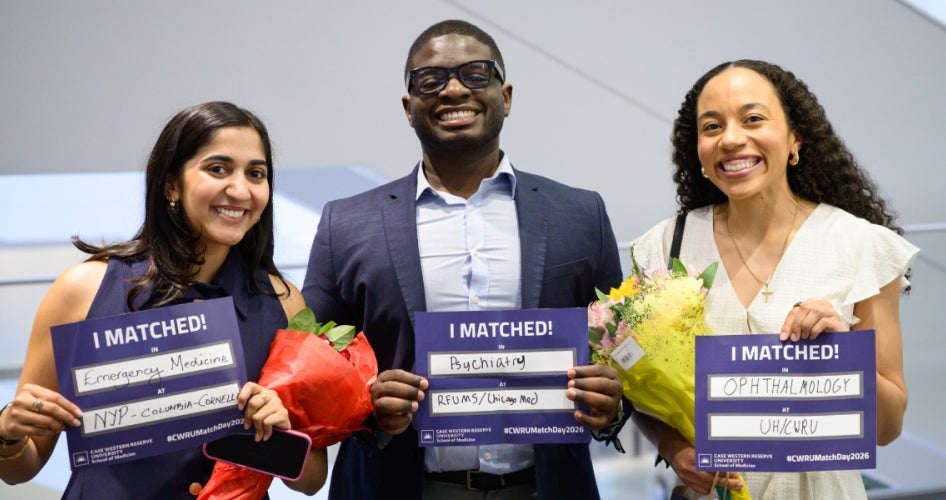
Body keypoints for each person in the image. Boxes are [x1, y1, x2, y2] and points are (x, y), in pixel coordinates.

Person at [302, 19, 628, 500]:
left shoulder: (581, 215)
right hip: (393, 486)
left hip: (546, 487)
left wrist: (614, 406)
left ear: (507, 96)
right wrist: (367, 406)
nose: (454, 89)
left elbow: (622, 355)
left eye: (476, 74)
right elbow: (316, 370)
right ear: (408, 108)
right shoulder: (345, 224)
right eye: (430, 80)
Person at [0, 101, 328, 498]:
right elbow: (21, 468)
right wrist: (7, 434)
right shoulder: (82, 289)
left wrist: (279, 432)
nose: (240, 190)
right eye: (218, 169)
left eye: (256, 174)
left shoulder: (285, 302)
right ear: (171, 184)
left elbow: (312, 479)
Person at [630, 60, 919, 499]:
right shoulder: (665, 245)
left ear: (795, 138)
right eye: (711, 127)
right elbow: (639, 383)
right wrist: (672, 449)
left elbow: (888, 427)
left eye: (753, 119)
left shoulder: (862, 246)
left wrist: (842, 349)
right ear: (698, 149)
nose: (730, 139)